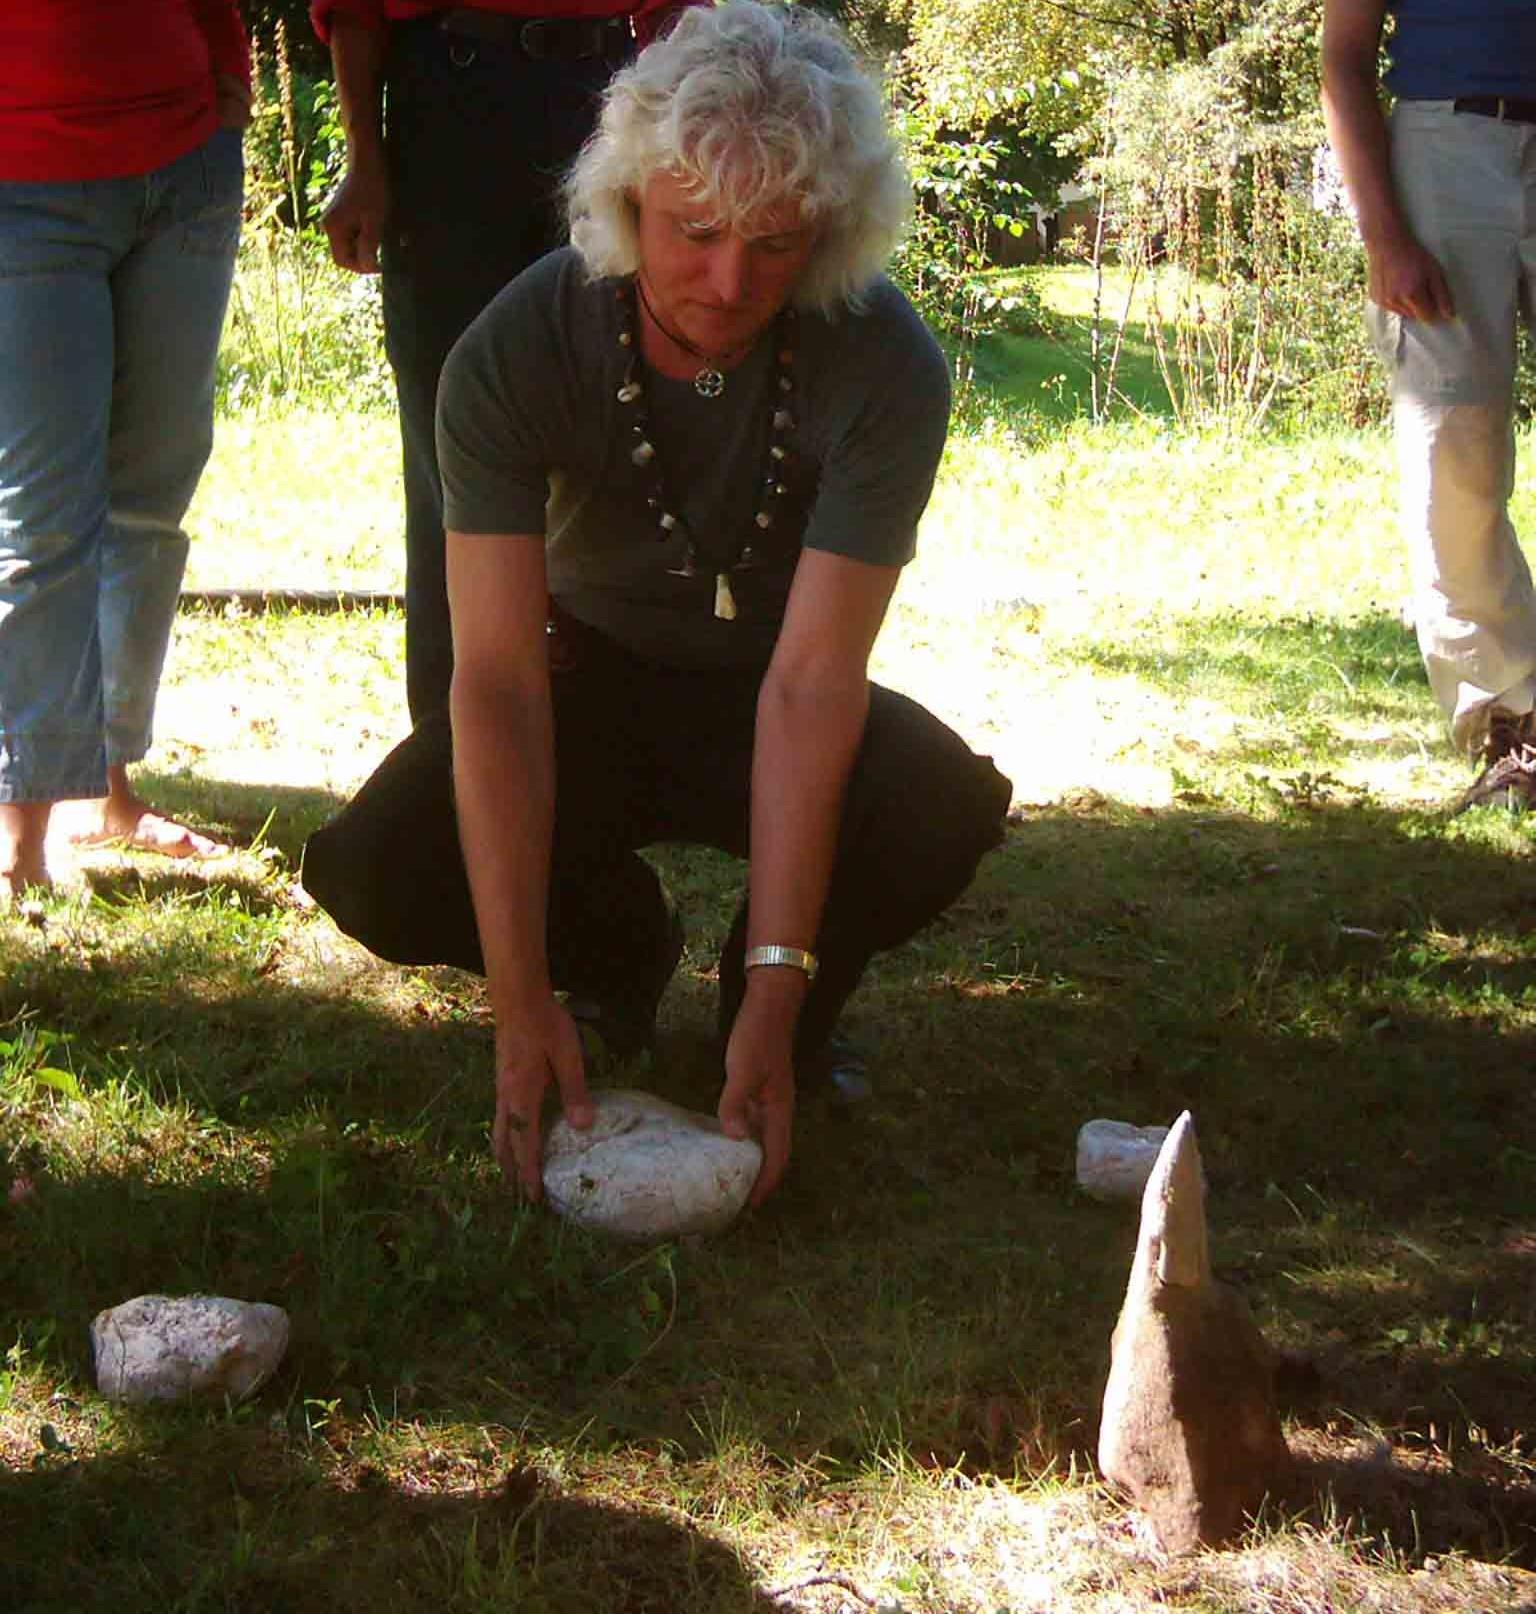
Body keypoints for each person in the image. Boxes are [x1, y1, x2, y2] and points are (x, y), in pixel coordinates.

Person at [301, 0, 1013, 1206]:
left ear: (830, 233)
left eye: (776, 243)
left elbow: (812, 684)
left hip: (772, 691)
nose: (730, 283)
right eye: (696, 231)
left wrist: (779, 984)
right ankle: (613, 950)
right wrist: (517, 999)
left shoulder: (888, 363)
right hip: (587, 685)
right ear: (629, 204)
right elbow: (497, 685)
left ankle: (774, 1010)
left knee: (936, 806)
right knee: (379, 867)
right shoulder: (515, 347)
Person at [314, 0, 702, 725]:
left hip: (613, 95)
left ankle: (605, 738)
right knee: (448, 449)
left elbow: (684, 13)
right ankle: (449, 749)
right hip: (451, 98)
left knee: (619, 424)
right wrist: (364, 155)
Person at [0, 2, 249, 903]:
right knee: (43, 511)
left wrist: (229, 78)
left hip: (187, 160)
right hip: (22, 170)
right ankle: (20, 837)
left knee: (151, 493)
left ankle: (106, 790)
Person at [1322, 1, 1536, 811]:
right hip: (1445, 154)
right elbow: (1344, 55)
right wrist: (1384, 235)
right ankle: (1513, 722)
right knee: (1454, 443)